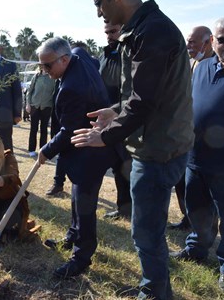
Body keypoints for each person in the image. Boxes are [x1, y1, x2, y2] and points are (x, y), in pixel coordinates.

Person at [73, 0, 195, 298]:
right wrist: (115, 111)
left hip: (159, 148)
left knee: (146, 231)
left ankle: (155, 292)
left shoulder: (152, 31)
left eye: (99, 3)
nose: (99, 12)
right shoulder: (142, 28)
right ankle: (152, 285)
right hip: (158, 141)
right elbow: (144, 94)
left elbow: (143, 103)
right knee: (146, 229)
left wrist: (106, 135)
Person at [170, 16, 224, 294]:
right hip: (196, 158)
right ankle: (196, 248)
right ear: (212, 42)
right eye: (222, 39)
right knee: (197, 209)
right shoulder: (202, 67)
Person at [37, 37, 119, 278]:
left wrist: (46, 150)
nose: (44, 71)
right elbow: (89, 57)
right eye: (41, 66)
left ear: (64, 60)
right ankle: (72, 237)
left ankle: (81, 257)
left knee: (84, 205)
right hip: (85, 147)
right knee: (75, 198)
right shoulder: (78, 55)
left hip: (91, 151)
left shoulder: (72, 88)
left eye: (48, 66)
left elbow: (68, 131)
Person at [169, 25, 214, 231]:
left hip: (208, 140)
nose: (189, 46)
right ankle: (188, 218)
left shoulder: (216, 66)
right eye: (188, 41)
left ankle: (206, 228)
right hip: (185, 135)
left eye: (193, 42)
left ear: (208, 42)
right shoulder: (191, 63)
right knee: (182, 181)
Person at [98, 22, 132, 220]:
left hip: (127, 118)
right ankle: (123, 208)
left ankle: (134, 209)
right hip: (107, 119)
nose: (110, 35)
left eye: (113, 31)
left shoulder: (129, 53)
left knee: (128, 166)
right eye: (107, 32)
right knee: (118, 167)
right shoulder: (104, 55)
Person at [26, 67, 55, 158]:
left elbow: (54, 93)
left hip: (47, 107)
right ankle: (31, 150)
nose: (44, 67)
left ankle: (43, 150)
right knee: (33, 129)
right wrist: (28, 104)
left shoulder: (53, 78)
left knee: (44, 129)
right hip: (34, 106)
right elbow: (29, 92)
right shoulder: (36, 76)